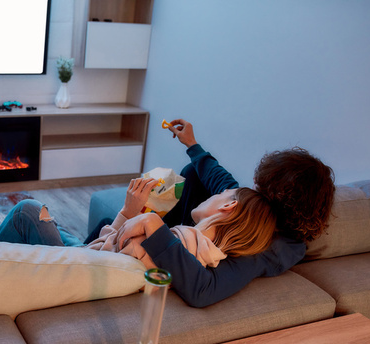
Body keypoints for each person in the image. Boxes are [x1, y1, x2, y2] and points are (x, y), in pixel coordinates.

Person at [111, 119, 335, 306]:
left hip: (174, 251)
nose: (252, 183)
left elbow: (203, 290)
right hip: (189, 233)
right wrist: (192, 145)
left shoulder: (266, 249)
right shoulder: (265, 214)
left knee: (108, 223)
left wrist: (150, 224)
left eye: (258, 187)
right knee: (193, 172)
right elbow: (222, 181)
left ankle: (152, 227)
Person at [84, 178, 277, 269]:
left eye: (219, 194)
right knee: (105, 223)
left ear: (228, 205)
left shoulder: (160, 243)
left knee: (100, 223)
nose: (213, 196)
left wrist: (128, 211)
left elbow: (89, 259)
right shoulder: (206, 258)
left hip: (78, 260)